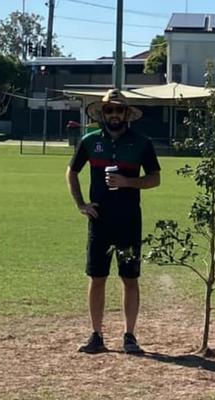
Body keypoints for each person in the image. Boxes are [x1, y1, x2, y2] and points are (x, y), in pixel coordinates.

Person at [66, 89, 161, 354]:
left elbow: (155, 178)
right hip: (99, 220)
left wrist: (128, 182)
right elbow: (71, 173)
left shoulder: (142, 143)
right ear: (102, 114)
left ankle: (129, 335)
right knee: (97, 277)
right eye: (109, 110)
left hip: (129, 220)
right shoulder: (89, 141)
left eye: (119, 110)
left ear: (127, 114)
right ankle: (96, 335)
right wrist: (81, 205)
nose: (114, 114)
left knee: (129, 278)